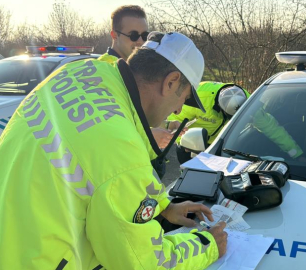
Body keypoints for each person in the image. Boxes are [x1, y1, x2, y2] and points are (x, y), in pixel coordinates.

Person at [0, 32, 227, 269]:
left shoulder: (80, 73)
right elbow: (144, 262)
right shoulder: (120, 148)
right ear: (170, 81)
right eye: (185, 98)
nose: (179, 110)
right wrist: (207, 244)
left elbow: (99, 170)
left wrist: (164, 206)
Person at [99, 5, 182, 177]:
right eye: (133, 35)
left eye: (144, 36)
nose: (140, 42)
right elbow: (105, 131)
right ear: (114, 35)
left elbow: (136, 116)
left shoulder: (131, 70)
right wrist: (149, 136)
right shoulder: (107, 71)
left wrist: (169, 125)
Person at [168, 81, 250, 163]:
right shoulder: (198, 97)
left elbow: (260, 120)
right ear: (219, 105)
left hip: (221, 145)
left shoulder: (249, 100)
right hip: (192, 143)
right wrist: (184, 142)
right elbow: (175, 120)